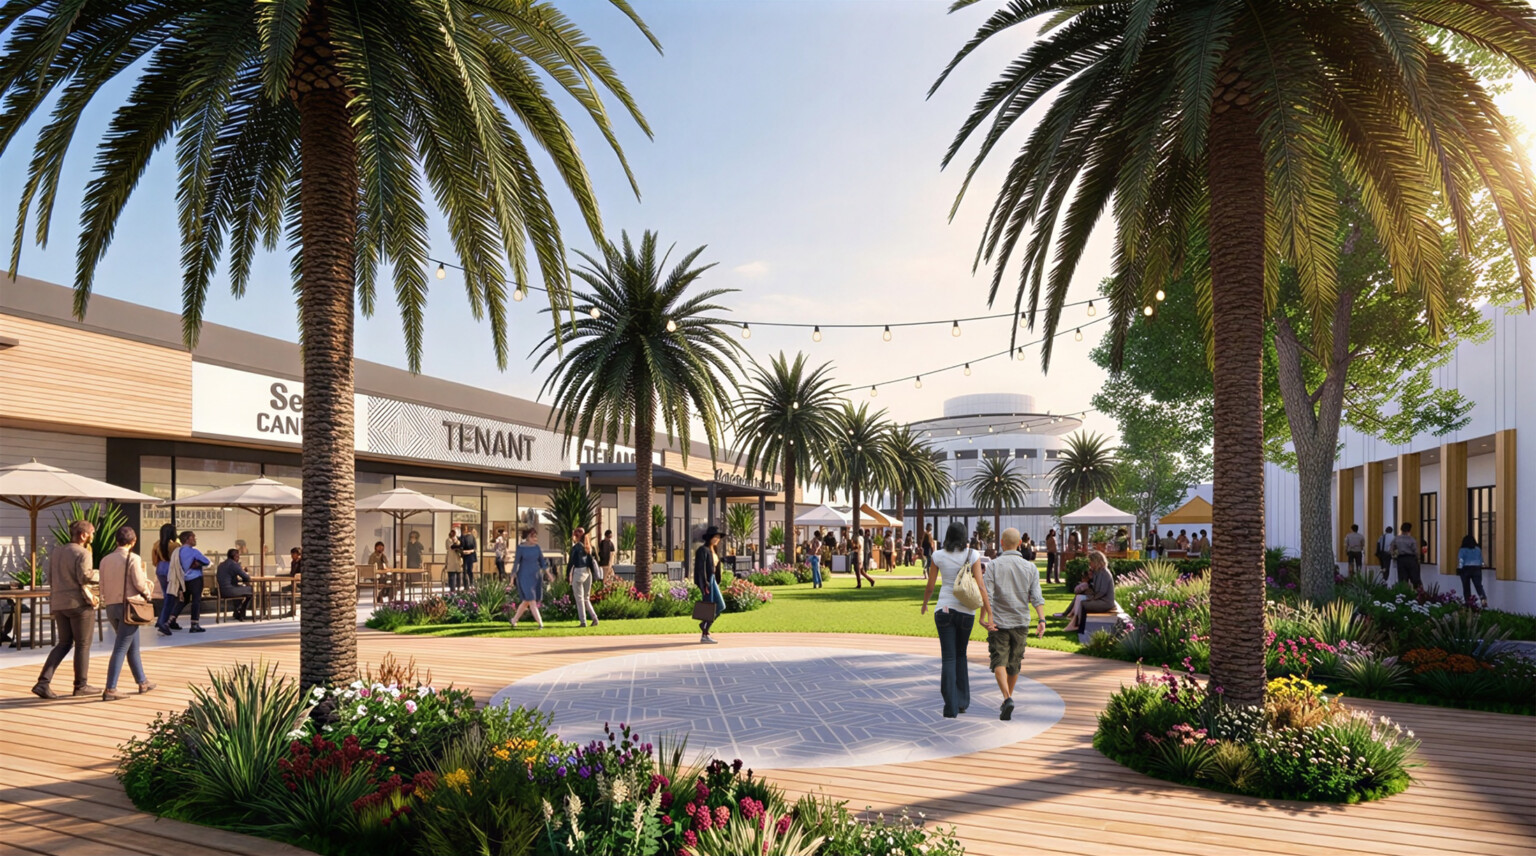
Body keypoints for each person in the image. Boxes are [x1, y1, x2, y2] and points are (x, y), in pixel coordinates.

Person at [920, 522, 991, 718]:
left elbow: (930, 586)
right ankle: (962, 701)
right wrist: (989, 612)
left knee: (949, 657)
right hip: (966, 612)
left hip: (944, 610)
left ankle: (950, 706)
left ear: (948, 535)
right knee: (961, 655)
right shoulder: (973, 555)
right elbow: (981, 586)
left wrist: (925, 603)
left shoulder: (938, 556)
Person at [979, 529, 1046, 720]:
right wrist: (1041, 620)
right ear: (1019, 544)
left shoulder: (993, 566)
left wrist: (986, 618)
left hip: (999, 622)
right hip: (1021, 622)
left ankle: (1007, 698)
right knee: (1014, 663)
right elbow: (1036, 597)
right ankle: (1008, 699)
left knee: (999, 660)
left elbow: (987, 594)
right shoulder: (1030, 568)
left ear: (1001, 543)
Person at [32, 519, 100, 698]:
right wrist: (100, 575)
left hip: (58, 603)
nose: (93, 536)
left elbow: (50, 577)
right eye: (92, 533)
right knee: (83, 645)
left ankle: (43, 682)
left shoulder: (56, 552)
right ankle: (81, 685)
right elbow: (84, 577)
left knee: (63, 643)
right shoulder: (83, 553)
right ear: (84, 535)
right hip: (78, 604)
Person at [100, 526, 155, 701]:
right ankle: (110, 689)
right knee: (121, 647)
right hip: (129, 606)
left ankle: (142, 681)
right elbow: (138, 582)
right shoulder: (133, 558)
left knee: (132, 646)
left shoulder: (105, 560)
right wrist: (147, 592)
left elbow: (101, 584)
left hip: (111, 606)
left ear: (116, 540)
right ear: (133, 542)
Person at [1062, 551, 1115, 634]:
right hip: (1099, 598)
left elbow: (1101, 592)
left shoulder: (1104, 573)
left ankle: (1079, 626)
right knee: (1079, 597)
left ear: (1096, 561)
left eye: (1091, 561)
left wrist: (1091, 598)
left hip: (1105, 602)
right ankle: (1074, 622)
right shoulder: (1097, 572)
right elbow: (1095, 588)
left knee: (1083, 604)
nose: (1089, 563)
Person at [509, 528, 553, 629]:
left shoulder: (537, 548)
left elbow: (542, 562)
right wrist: (512, 578)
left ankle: (514, 620)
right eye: (534, 537)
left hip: (535, 576)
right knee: (531, 600)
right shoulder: (520, 548)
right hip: (524, 576)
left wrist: (549, 574)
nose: (536, 539)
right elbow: (516, 564)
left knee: (526, 601)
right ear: (528, 537)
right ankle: (540, 623)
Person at [694, 526, 726, 643]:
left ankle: (704, 626)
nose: (717, 539)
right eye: (715, 537)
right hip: (707, 581)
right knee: (709, 608)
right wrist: (704, 585)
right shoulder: (703, 550)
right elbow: (700, 569)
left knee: (720, 606)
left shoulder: (714, 550)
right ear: (710, 538)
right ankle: (705, 634)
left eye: (718, 537)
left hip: (713, 580)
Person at [150, 524, 183, 631]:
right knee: (172, 597)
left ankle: (166, 619)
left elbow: (154, 561)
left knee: (167, 595)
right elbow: (179, 561)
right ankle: (163, 622)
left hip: (160, 568)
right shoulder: (175, 545)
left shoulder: (156, 544)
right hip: (171, 569)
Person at [567, 527, 599, 628]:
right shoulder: (589, 547)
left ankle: (583, 621)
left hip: (578, 572)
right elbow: (595, 560)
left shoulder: (575, 548)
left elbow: (571, 563)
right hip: (588, 572)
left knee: (579, 599)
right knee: (586, 598)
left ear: (575, 536)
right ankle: (594, 618)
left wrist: (567, 575)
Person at [216, 548, 253, 621]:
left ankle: (237, 610)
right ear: (235, 556)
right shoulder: (233, 564)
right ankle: (241, 611)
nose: (238, 558)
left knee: (240, 588)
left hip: (221, 590)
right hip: (229, 590)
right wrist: (243, 571)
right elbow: (246, 577)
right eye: (238, 556)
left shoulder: (221, 564)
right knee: (251, 590)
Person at [1456, 534, 1487, 606]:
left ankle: (1468, 602)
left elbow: (1461, 560)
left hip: (1465, 569)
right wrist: (1482, 565)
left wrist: (1459, 568)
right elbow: (1481, 559)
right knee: (1478, 586)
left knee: (1466, 587)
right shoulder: (1478, 549)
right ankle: (1483, 599)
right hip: (1476, 569)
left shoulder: (1462, 550)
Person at [1393, 523, 1422, 591]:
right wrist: (1418, 559)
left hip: (1401, 559)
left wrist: (1395, 555)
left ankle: (1404, 593)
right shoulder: (1411, 539)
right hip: (1411, 559)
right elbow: (1415, 551)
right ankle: (1418, 593)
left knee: (1403, 578)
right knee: (1415, 577)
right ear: (1409, 530)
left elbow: (1392, 549)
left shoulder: (1396, 539)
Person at [458, 525, 479, 590]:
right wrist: (463, 551)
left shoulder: (471, 537)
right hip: (465, 555)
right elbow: (461, 547)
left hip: (470, 555)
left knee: (469, 570)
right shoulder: (462, 537)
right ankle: (466, 585)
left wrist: (469, 551)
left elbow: (475, 547)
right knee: (465, 570)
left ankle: (470, 583)